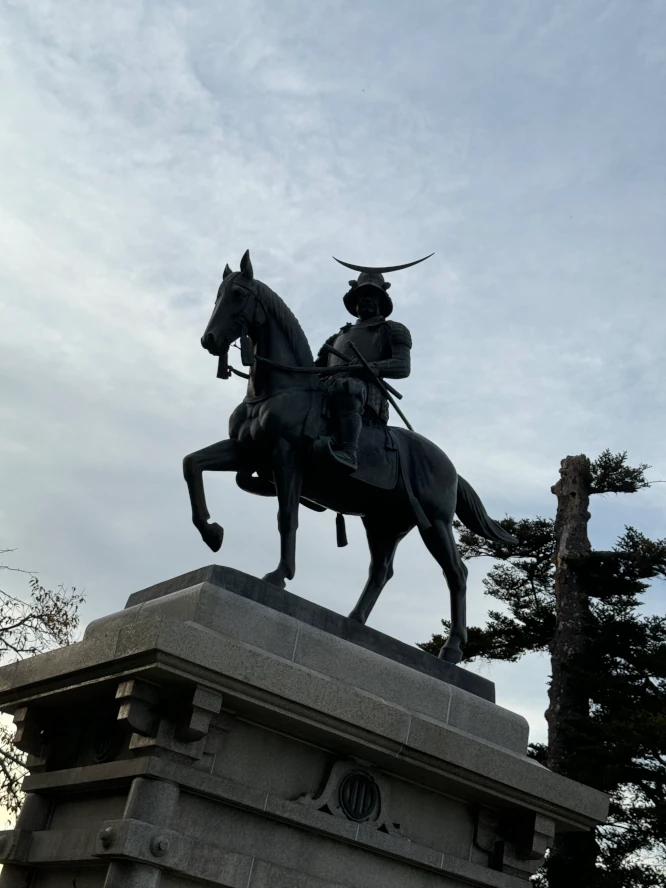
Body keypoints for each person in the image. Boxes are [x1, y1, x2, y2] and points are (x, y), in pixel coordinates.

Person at [315, 269, 412, 472]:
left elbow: (402, 366)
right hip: (329, 389)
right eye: (361, 297)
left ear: (381, 301)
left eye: (372, 296)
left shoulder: (393, 329)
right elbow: (316, 370)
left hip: (365, 393)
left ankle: (349, 451)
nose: (366, 300)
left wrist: (369, 367)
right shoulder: (337, 337)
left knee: (347, 387)